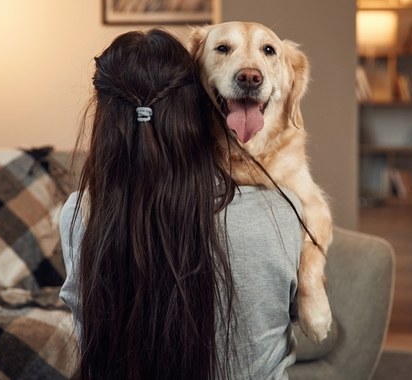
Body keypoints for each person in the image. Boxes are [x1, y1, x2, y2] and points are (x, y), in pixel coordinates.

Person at [59, 28, 304, 380]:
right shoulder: (281, 211)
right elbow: (290, 315)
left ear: (103, 114)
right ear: (198, 105)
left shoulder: (78, 213)